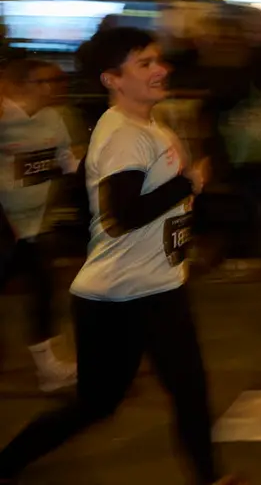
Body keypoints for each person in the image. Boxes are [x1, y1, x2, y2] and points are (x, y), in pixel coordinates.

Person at [0, 27, 225, 485]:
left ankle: (211, 480)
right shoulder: (123, 134)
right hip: (119, 297)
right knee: (97, 403)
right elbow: (122, 214)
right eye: (144, 63)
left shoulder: (148, 126)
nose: (160, 69)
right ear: (112, 79)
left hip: (157, 286)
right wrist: (188, 184)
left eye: (158, 60)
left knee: (188, 392)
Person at [0, 59, 80, 392]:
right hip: (4, 226)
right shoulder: (3, 117)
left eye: (56, 80)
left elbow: (65, 157)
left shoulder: (52, 118)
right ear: (20, 85)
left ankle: (48, 369)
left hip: (35, 226)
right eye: (43, 81)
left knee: (45, 293)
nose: (52, 88)